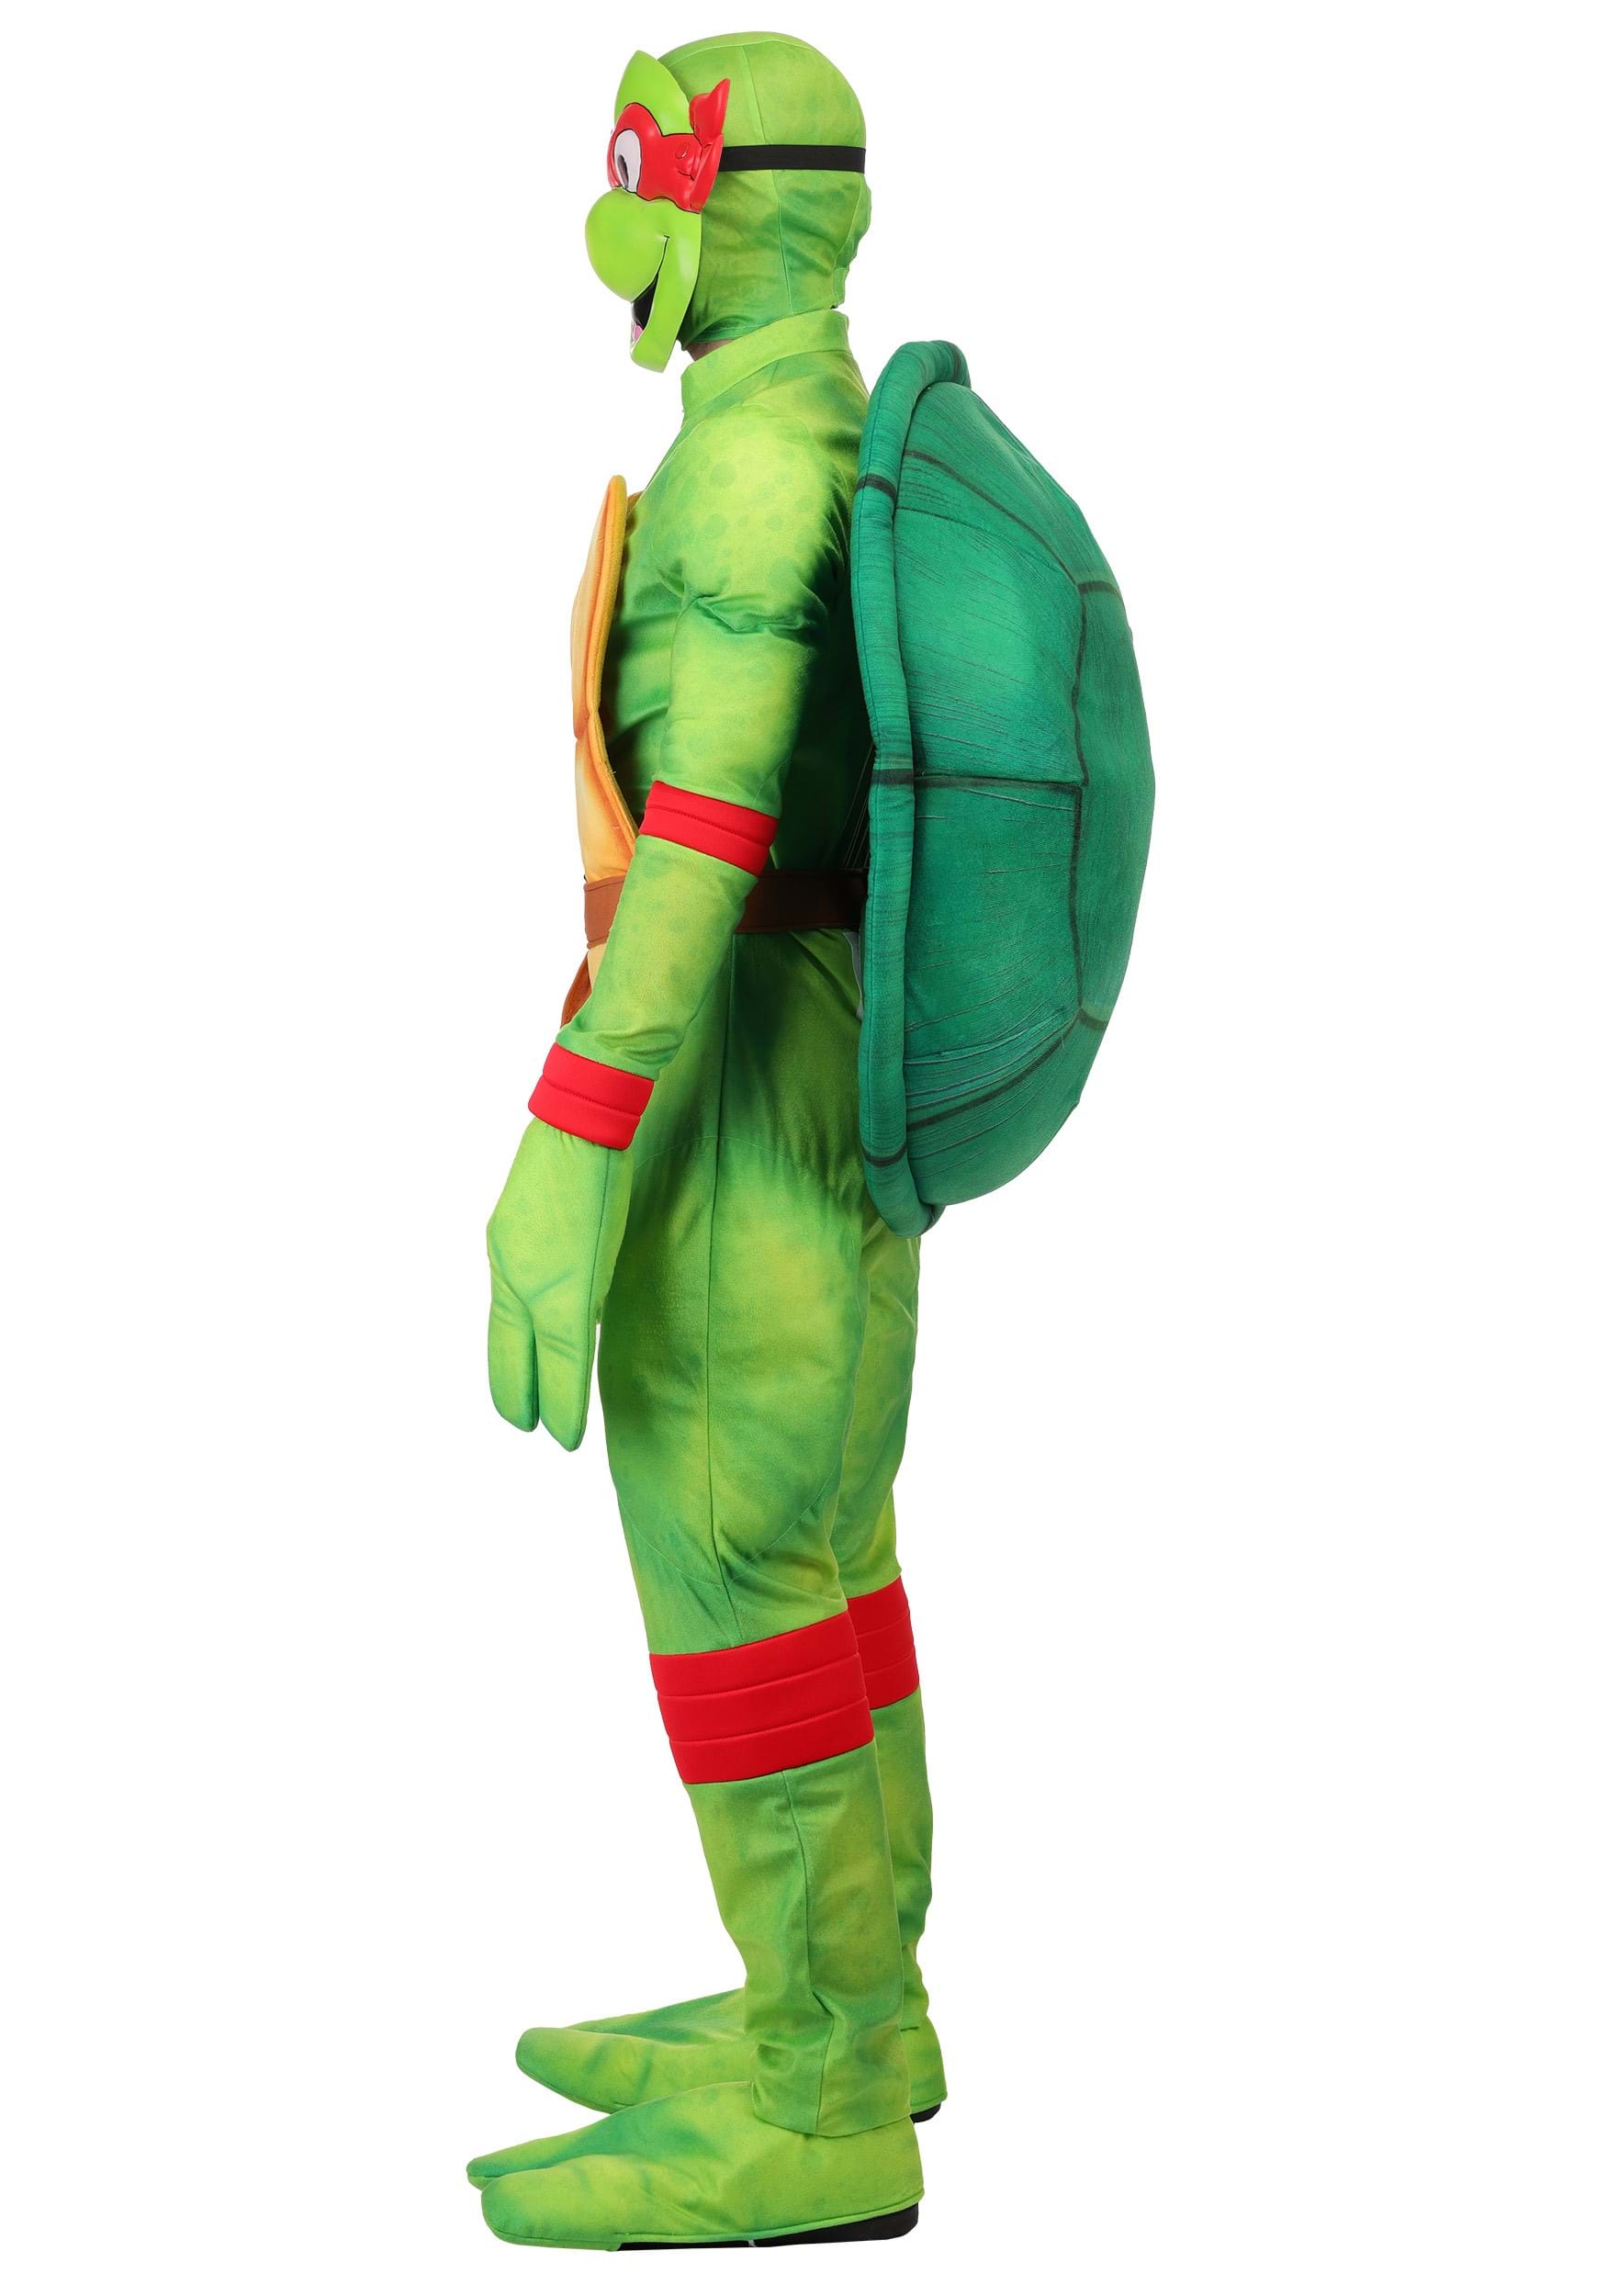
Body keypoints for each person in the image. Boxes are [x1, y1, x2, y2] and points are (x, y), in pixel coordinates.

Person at [471, 31, 940, 2253]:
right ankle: (850, 2001)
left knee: (738, 1565)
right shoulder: (801, 432)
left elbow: (702, 838)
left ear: (718, 200)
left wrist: (567, 1135)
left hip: (746, 1096)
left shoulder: (754, 473)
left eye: (647, 178)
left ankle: (821, 2089)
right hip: (822, 1083)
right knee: (825, 1549)